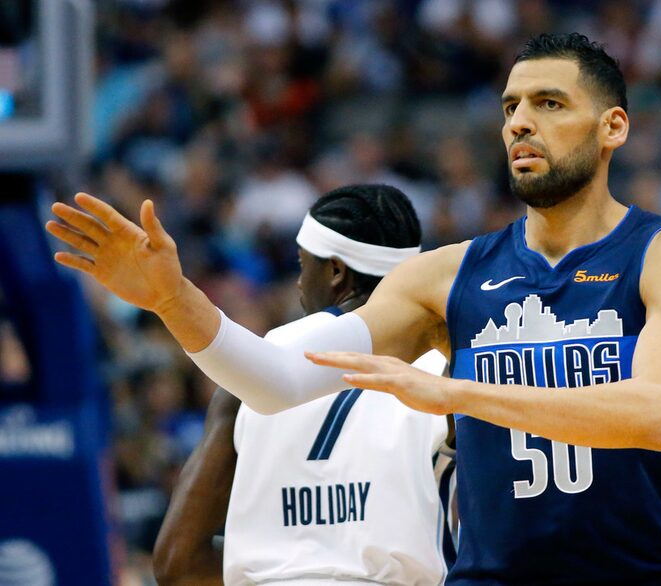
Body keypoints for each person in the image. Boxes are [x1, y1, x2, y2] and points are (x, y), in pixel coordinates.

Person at [47, 32, 661, 584]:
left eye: (548, 103)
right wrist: (172, 298)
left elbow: (656, 414)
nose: (520, 122)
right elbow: (279, 383)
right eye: (511, 105)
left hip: (644, 572)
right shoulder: (447, 275)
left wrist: (460, 391)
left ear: (613, 127)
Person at [150, 184, 456, 585]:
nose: (297, 284)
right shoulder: (448, 366)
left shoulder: (254, 364)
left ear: (335, 271)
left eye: (301, 264)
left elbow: (179, 560)